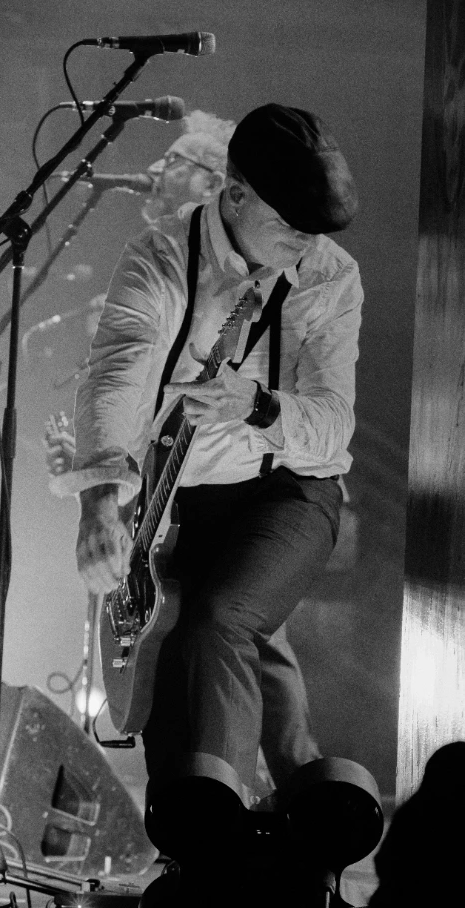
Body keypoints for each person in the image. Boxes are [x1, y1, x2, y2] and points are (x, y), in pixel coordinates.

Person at [47, 110, 319, 800]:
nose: (156, 177)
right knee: (189, 658)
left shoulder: (262, 279)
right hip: (159, 495)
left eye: (174, 166)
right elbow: (118, 382)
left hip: (228, 489)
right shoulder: (153, 259)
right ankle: (212, 813)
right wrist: (92, 473)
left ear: (218, 186)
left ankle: (297, 805)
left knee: (240, 641)